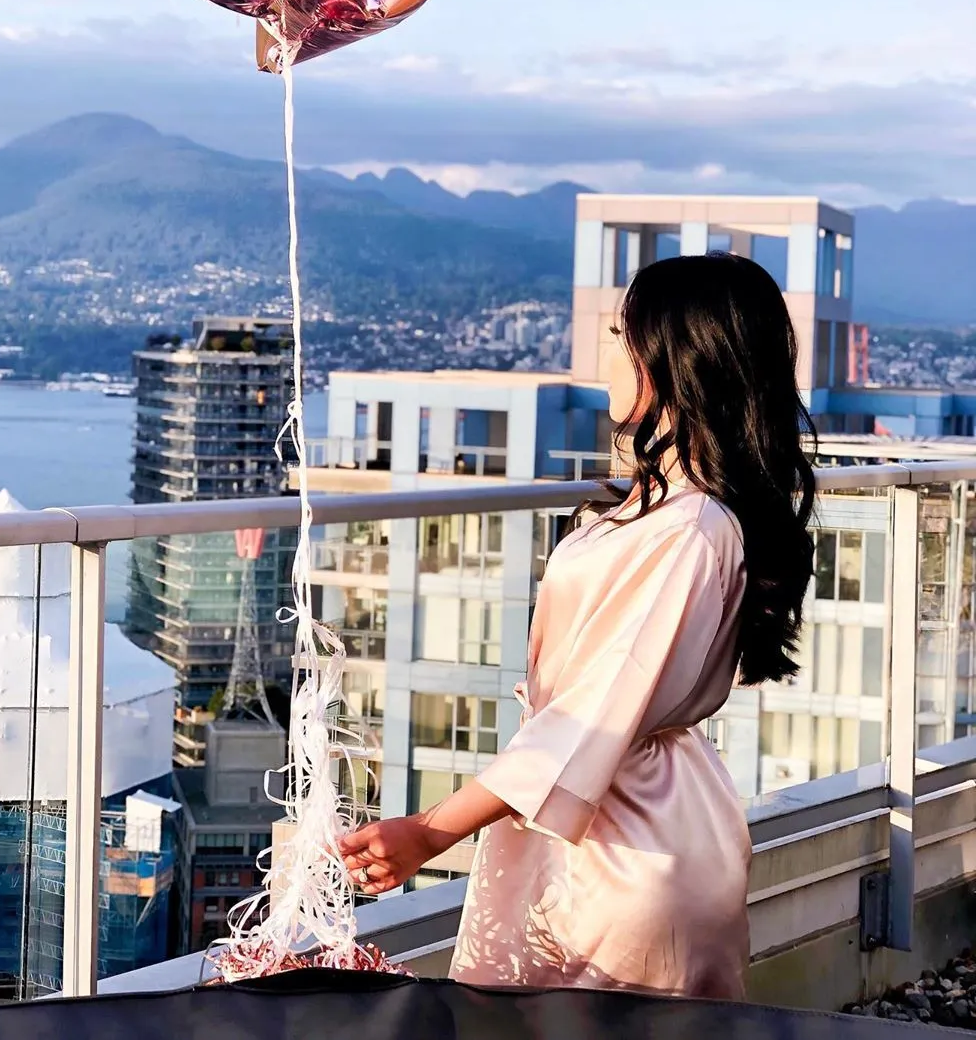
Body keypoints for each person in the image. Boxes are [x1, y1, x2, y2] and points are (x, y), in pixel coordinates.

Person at [339, 254, 817, 999]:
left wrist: (432, 831)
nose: (607, 350)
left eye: (621, 333)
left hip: (627, 845)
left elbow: (587, 719)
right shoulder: (669, 507)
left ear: (672, 359)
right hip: (612, 820)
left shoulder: (690, 528)